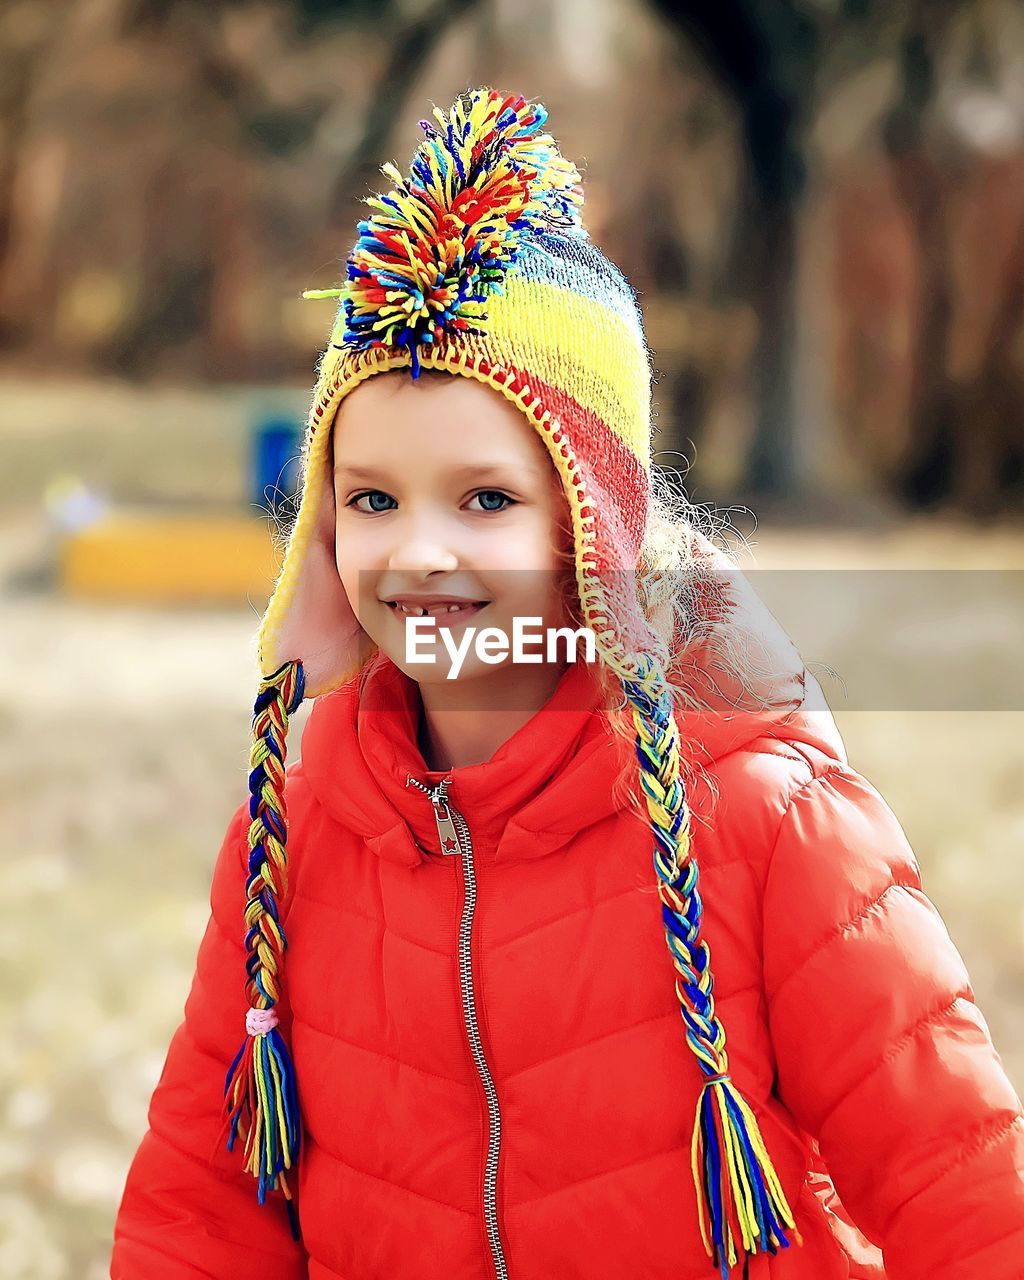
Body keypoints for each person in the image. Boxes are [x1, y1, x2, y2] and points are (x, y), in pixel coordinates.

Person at [110, 87, 1024, 1280]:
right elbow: (201, 1200)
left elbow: (961, 1184)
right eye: (373, 497)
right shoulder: (294, 828)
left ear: (594, 526)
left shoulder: (763, 821)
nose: (419, 550)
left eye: (486, 498)